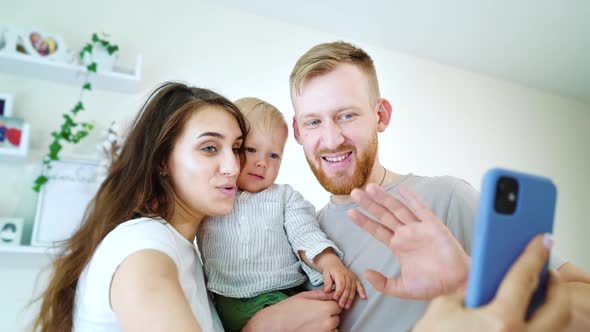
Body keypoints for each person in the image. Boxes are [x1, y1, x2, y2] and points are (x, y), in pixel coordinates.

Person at [287, 41, 590, 331]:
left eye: (347, 115)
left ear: (381, 116)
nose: (331, 139)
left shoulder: (445, 199)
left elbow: (582, 294)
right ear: (298, 131)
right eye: (314, 122)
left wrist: (470, 282)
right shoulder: (303, 236)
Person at [33, 82, 249, 331]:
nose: (233, 167)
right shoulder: (144, 248)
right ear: (161, 161)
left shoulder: (179, 248)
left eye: (236, 148)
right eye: (209, 148)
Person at [197, 97, 365, 331]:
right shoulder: (214, 196)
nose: (262, 163)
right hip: (231, 299)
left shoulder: (284, 197)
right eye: (251, 150)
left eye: (273, 155)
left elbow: (305, 232)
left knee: (327, 315)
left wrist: (330, 263)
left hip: (285, 291)